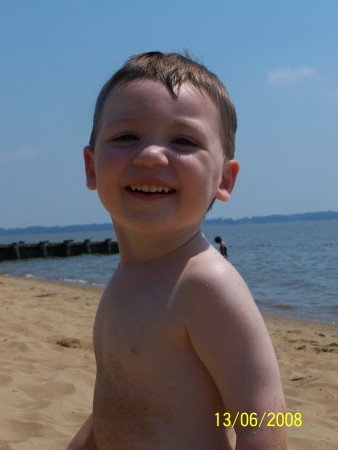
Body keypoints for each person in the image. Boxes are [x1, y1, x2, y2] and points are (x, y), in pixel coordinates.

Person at [67, 51, 286, 450]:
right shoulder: (127, 277)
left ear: (225, 179)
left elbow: (263, 420)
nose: (150, 155)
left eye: (183, 140)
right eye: (126, 137)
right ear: (92, 166)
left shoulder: (206, 285)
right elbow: (118, 398)